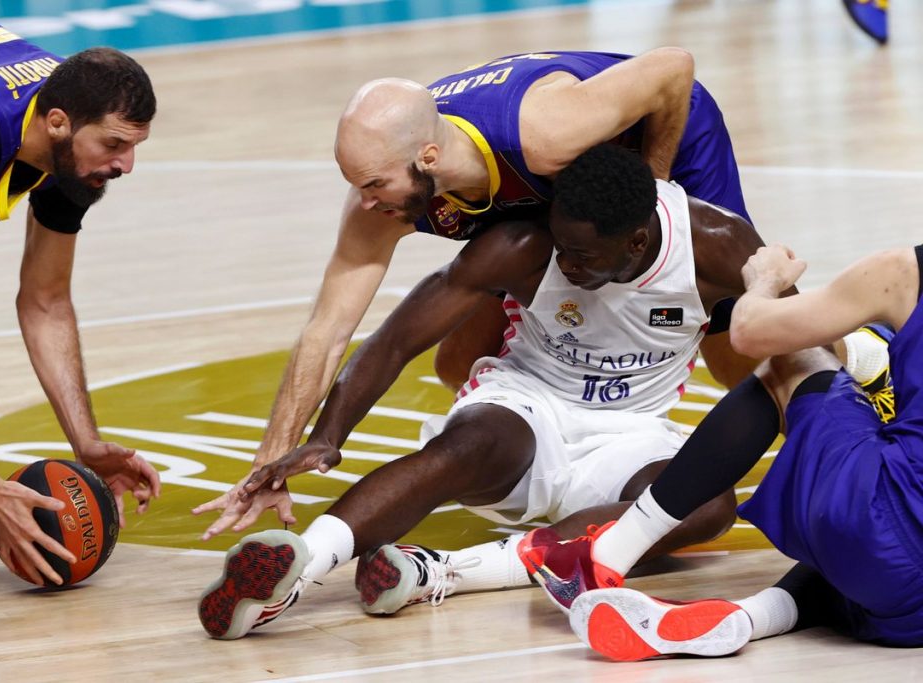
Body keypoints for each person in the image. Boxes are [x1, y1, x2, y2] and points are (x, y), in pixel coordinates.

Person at [195, 144, 773, 640]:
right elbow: (397, 339)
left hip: (634, 430)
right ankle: (299, 566)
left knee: (709, 505)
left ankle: (442, 570)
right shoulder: (523, 245)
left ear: (637, 241)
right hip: (528, 401)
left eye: (583, 255)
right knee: (464, 446)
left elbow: (803, 354)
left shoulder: (719, 247)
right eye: (560, 246)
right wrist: (327, 436)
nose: (565, 263)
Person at [195, 48, 771, 537]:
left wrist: (653, 196)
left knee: (734, 338)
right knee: (459, 361)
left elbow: (674, 70)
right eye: (355, 184)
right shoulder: (385, 191)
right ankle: (552, 453)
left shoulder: (548, 138)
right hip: (551, 195)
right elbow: (327, 329)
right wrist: (267, 464)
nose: (364, 202)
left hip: (657, 141)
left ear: (427, 159)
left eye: (373, 184)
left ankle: (831, 439)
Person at [0, 3, 161, 613]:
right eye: (116, 144)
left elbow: (46, 302)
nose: (126, 165)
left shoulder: (67, 149)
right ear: (61, 122)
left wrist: (87, 443)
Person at [556, 243, 923, 659]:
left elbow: (752, 333)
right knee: (862, 571)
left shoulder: (902, 270)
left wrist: (765, 280)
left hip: (882, 524)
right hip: (911, 615)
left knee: (793, 359)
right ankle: (744, 617)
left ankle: (605, 554)